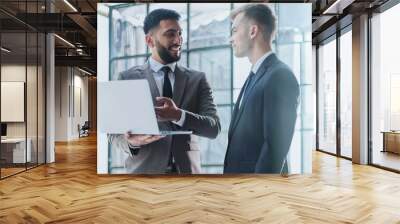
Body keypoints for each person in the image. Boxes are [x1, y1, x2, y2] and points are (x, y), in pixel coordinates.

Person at [109, 9, 220, 174]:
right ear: (149, 41)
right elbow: (114, 133)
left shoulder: (198, 79)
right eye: (170, 34)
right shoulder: (127, 78)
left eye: (180, 33)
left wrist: (178, 115)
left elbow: (213, 128)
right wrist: (133, 142)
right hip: (144, 173)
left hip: (188, 174)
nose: (178, 40)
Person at [224, 4, 299, 174]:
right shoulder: (256, 75)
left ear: (253, 31)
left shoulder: (280, 76)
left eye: (235, 30)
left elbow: (275, 147)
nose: (231, 39)